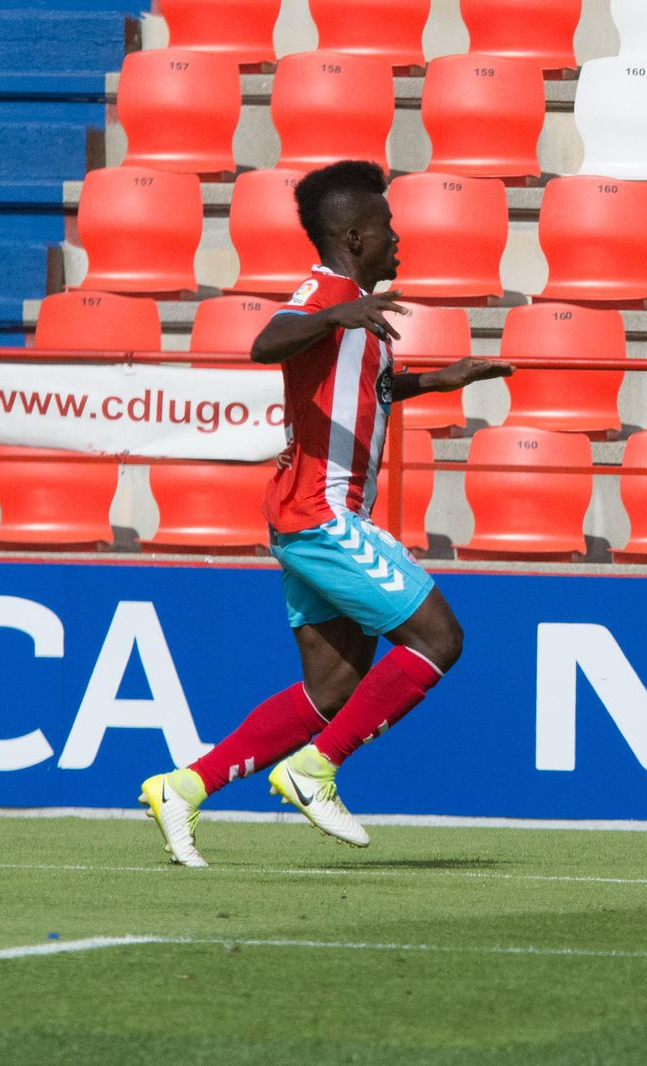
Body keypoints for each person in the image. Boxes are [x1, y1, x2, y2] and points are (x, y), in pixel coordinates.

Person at [138, 160, 513, 867]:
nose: (398, 237)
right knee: (438, 639)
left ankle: (185, 786)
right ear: (353, 234)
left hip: (305, 514)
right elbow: (266, 342)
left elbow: (360, 389)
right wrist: (333, 312)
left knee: (331, 688)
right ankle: (314, 771)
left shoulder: (352, 308)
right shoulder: (327, 293)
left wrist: (440, 380)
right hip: (322, 512)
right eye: (387, 226)